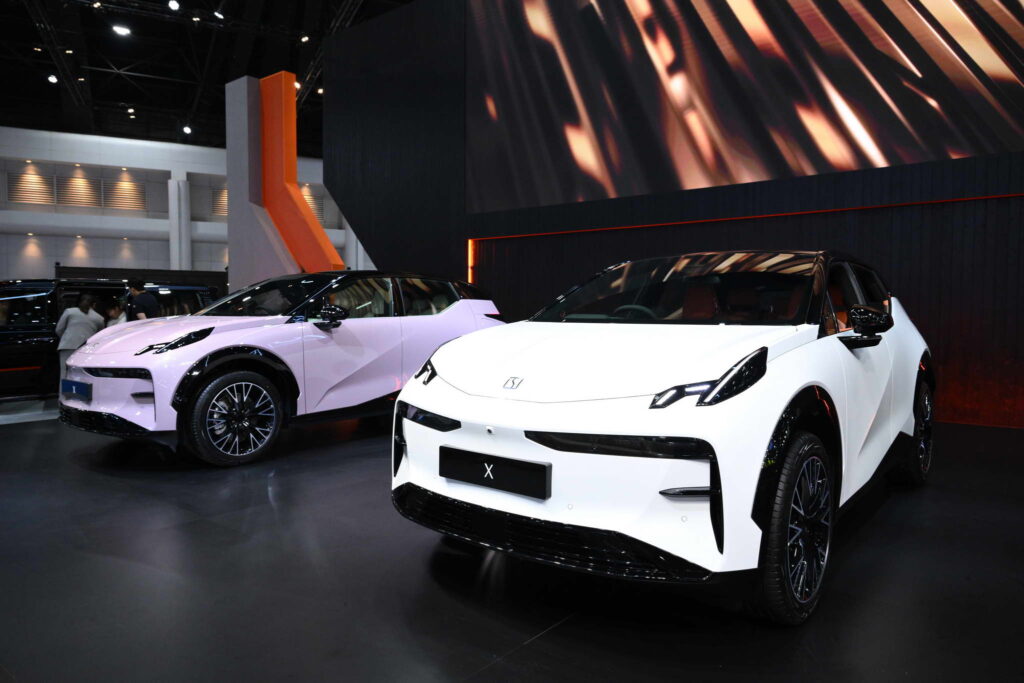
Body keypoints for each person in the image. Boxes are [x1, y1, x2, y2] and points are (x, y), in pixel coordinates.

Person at [55, 294, 104, 378]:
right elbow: (99, 336)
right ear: (94, 304)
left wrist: (66, 338)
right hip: (86, 349)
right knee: (83, 374)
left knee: (65, 373)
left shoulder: (69, 312)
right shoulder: (99, 318)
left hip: (67, 346)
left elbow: (59, 329)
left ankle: (64, 387)